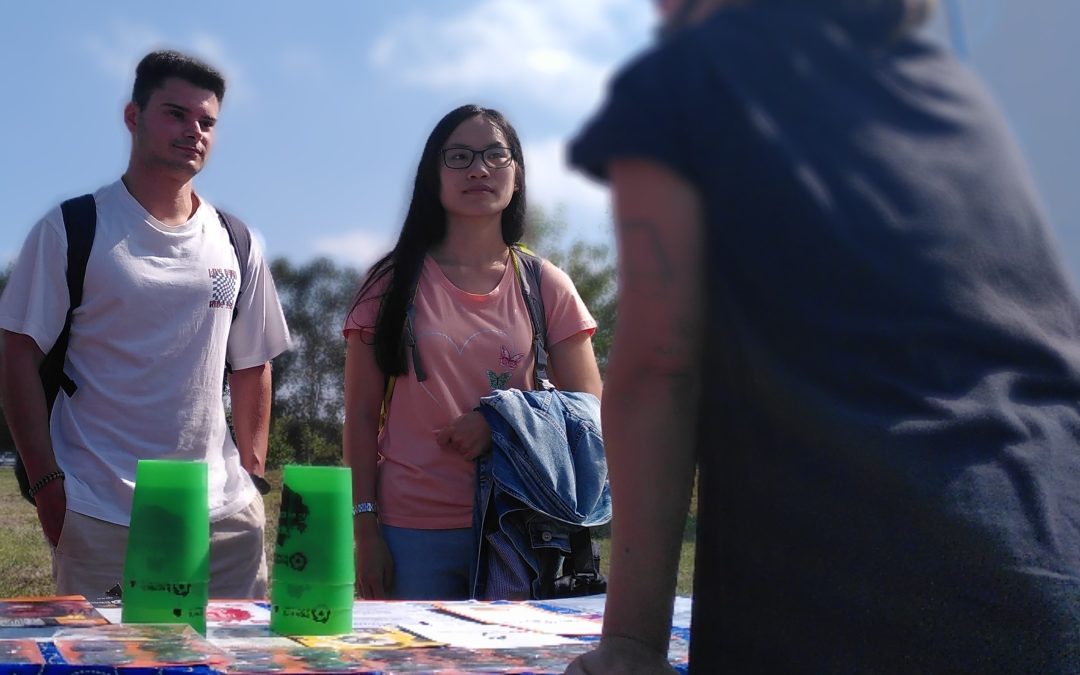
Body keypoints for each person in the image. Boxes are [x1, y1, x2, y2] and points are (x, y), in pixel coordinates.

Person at [567, 0, 1080, 672]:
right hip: (1053, 562)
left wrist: (630, 645)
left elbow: (660, 365)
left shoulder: (693, 76)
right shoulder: (952, 93)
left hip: (864, 595)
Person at [0, 50, 291, 600]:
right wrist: (46, 484)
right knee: (113, 651)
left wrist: (251, 477)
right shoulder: (72, 228)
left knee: (233, 651)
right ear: (133, 116)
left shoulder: (236, 241)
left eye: (207, 122)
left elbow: (254, 365)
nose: (194, 131)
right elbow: (16, 354)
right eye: (176, 114)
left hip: (224, 518)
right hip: (102, 511)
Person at [343, 104, 603, 600]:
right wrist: (365, 532)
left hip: (523, 528)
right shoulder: (388, 284)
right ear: (433, 175)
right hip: (411, 532)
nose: (479, 169)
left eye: (494, 155)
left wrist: (500, 423)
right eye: (459, 156)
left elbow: (591, 414)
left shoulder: (546, 285)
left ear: (516, 173)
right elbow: (359, 417)